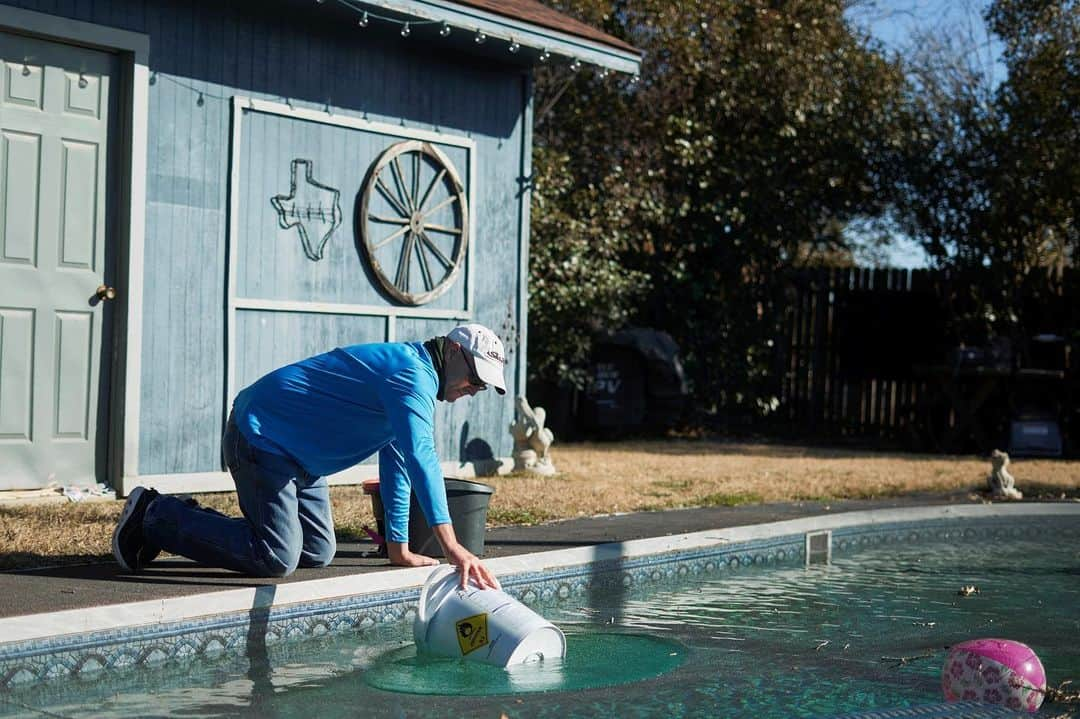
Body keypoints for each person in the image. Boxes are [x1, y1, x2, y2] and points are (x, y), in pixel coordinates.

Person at [112, 324, 506, 590]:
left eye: (483, 387)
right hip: (262, 436)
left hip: (302, 459)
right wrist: (454, 547)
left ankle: (186, 518)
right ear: (454, 350)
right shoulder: (410, 376)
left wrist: (397, 548)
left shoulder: (416, 381)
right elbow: (423, 458)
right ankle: (154, 515)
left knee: (317, 552)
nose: (474, 390)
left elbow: (399, 462)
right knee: (276, 557)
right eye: (475, 379)